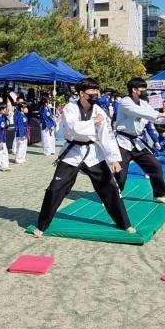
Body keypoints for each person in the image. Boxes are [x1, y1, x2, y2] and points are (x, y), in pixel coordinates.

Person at [34, 78, 135, 238]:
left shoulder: (99, 110)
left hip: (93, 152)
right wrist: (94, 122)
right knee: (55, 189)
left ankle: (124, 224)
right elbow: (74, 128)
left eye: (96, 91)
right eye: (91, 92)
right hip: (72, 152)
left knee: (110, 187)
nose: (95, 94)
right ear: (81, 93)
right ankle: (42, 225)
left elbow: (106, 135)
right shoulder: (70, 108)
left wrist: (114, 159)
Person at [113, 78, 165, 204]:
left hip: (137, 142)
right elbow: (140, 112)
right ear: (134, 90)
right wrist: (163, 114)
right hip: (122, 141)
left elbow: (155, 118)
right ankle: (112, 196)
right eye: (143, 88)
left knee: (155, 166)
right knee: (120, 173)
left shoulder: (144, 103)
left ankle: (158, 195)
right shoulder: (125, 102)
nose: (145, 91)